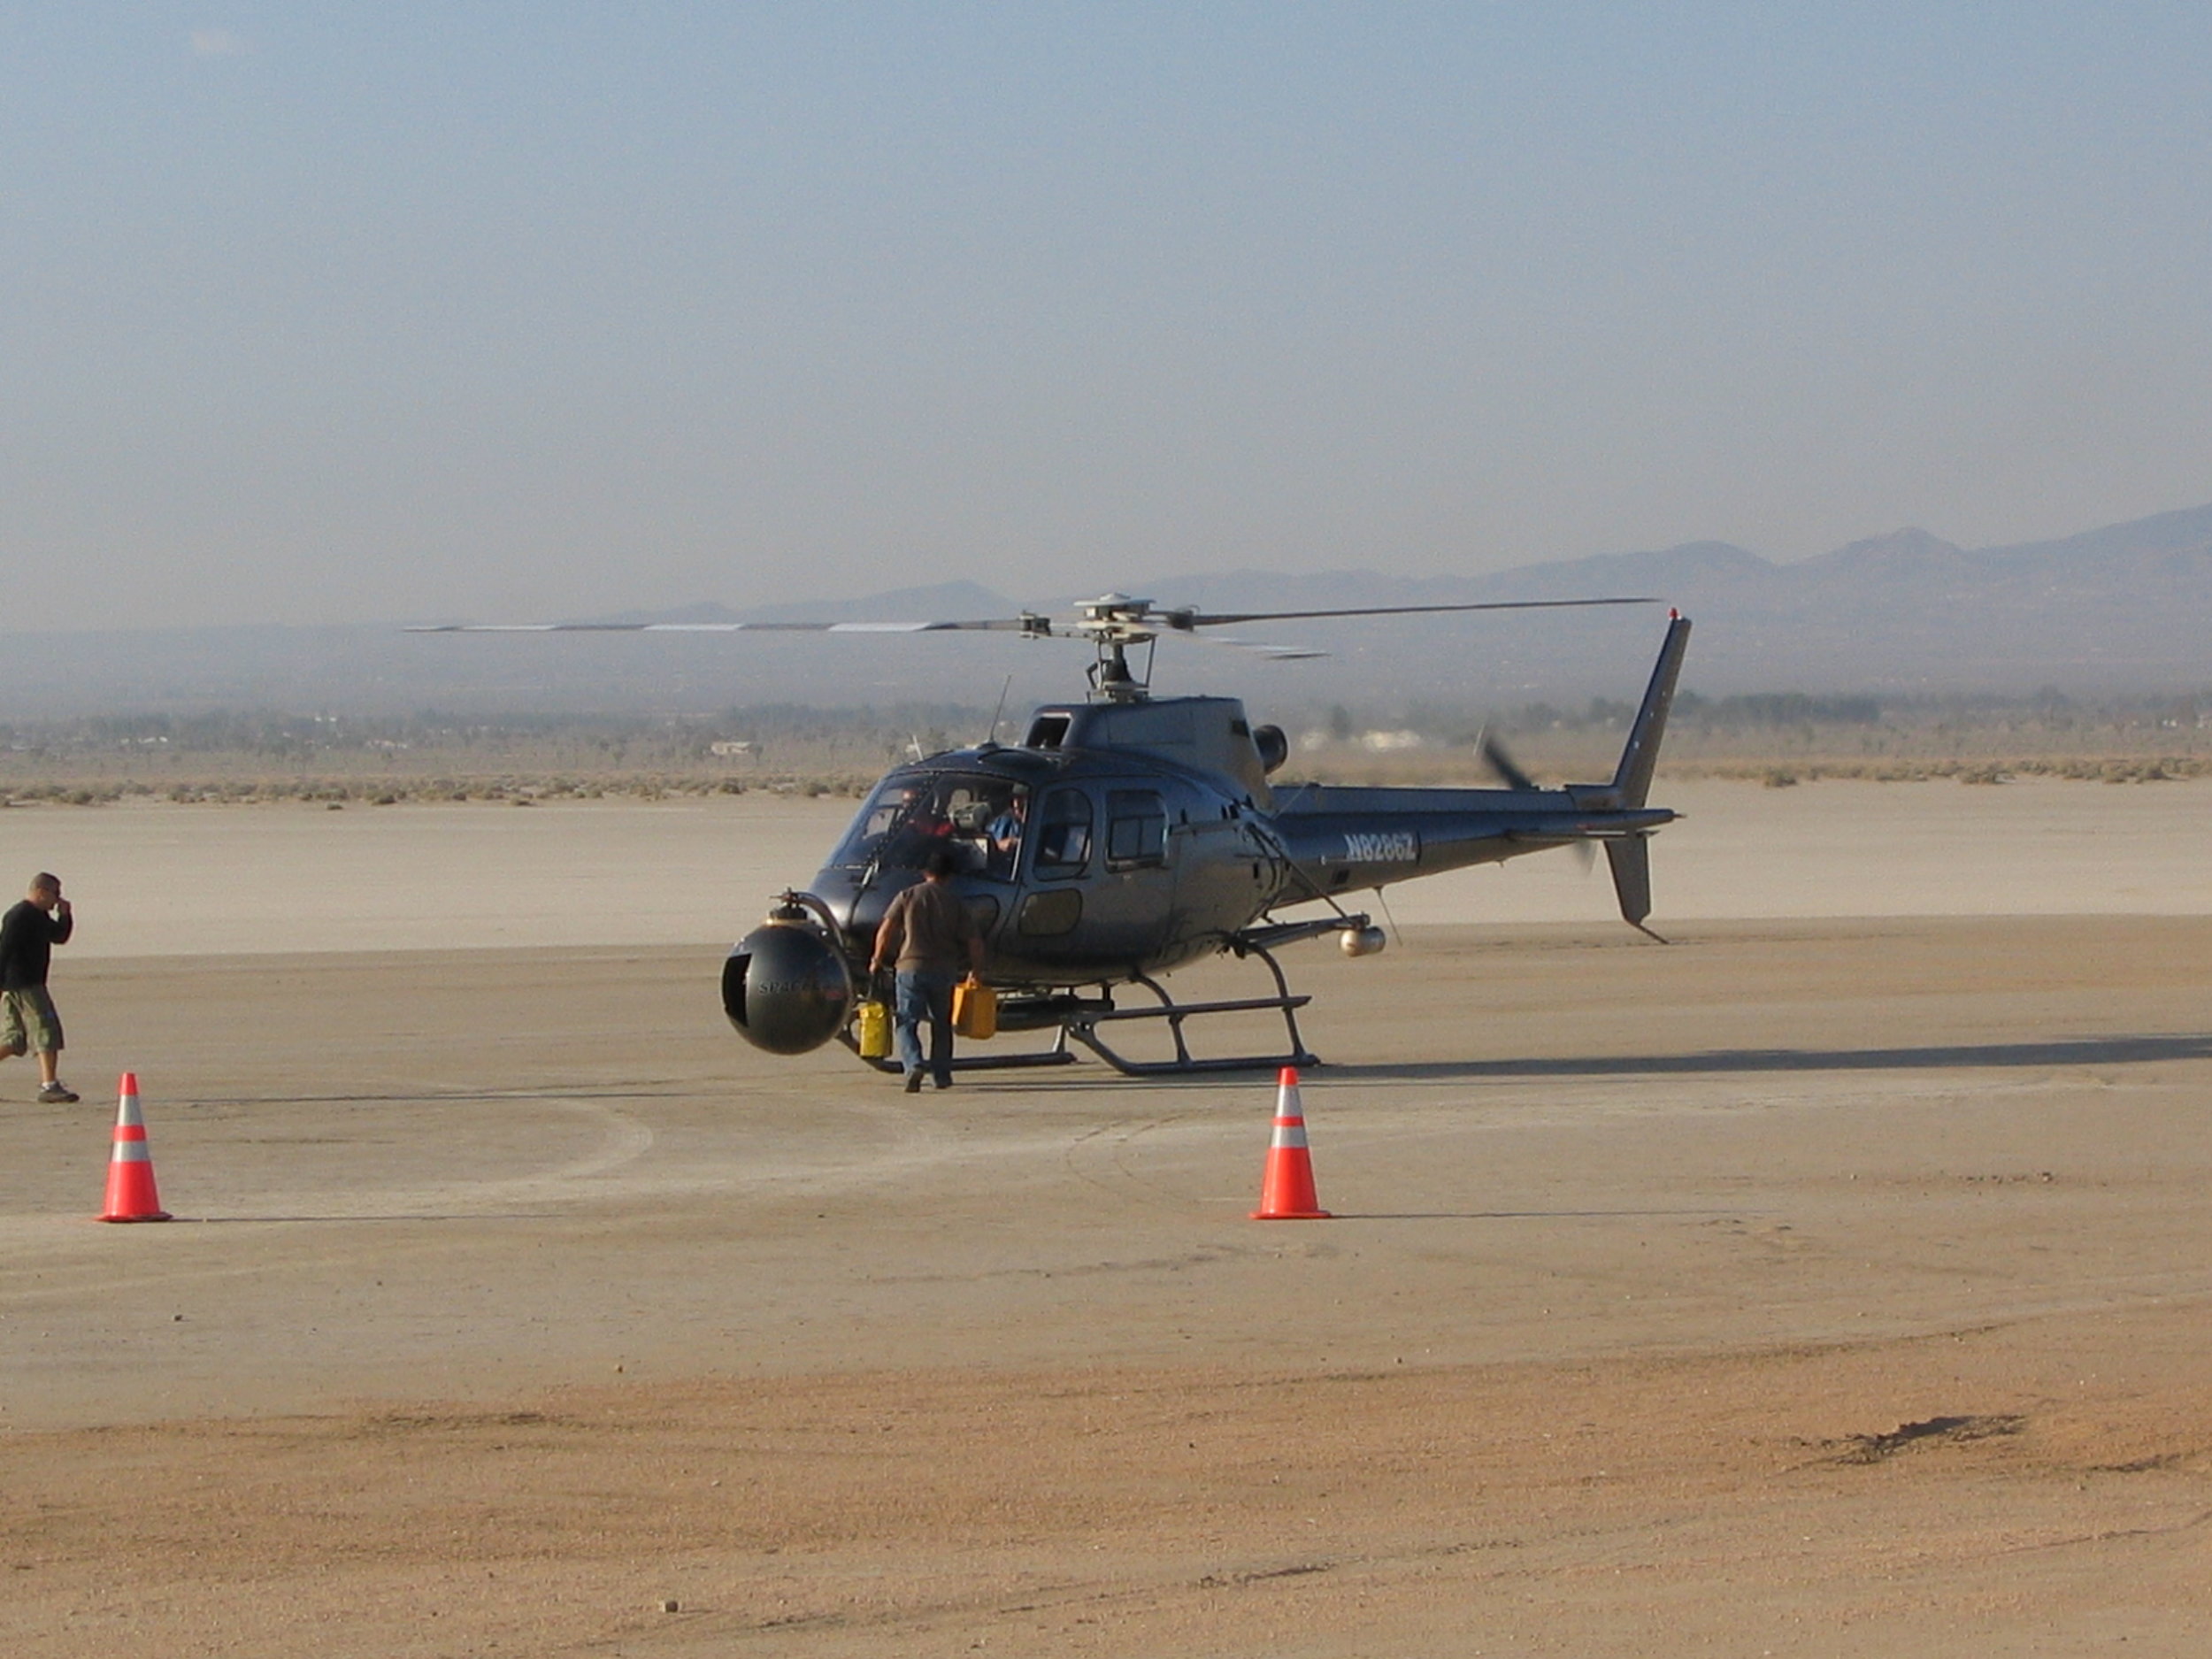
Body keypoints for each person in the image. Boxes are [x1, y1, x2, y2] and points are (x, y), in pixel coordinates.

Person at [869, 846, 987, 1093]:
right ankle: (941, 1075)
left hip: (910, 967)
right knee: (941, 1024)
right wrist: (976, 969)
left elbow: (886, 929)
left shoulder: (907, 895)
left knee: (906, 1022)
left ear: (925, 872)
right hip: (944, 971)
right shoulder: (955, 902)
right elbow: (974, 940)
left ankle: (913, 1065)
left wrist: (877, 959)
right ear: (949, 876)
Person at [2, 872, 79, 1102]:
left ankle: (49, 1085)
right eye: (55, 893)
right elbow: (3, 950)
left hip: (20, 984)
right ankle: (49, 1086)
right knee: (47, 1031)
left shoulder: (39, 916)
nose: (58, 898)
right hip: (26, 985)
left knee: (14, 1040)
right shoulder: (19, 916)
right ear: (41, 892)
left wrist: (65, 915)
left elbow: (59, 937)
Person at [983, 790, 1027, 873]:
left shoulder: (1044, 823)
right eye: (1015, 798)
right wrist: (997, 846)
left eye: (1022, 798)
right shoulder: (1001, 822)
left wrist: (1021, 844)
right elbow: (982, 846)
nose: (1017, 803)